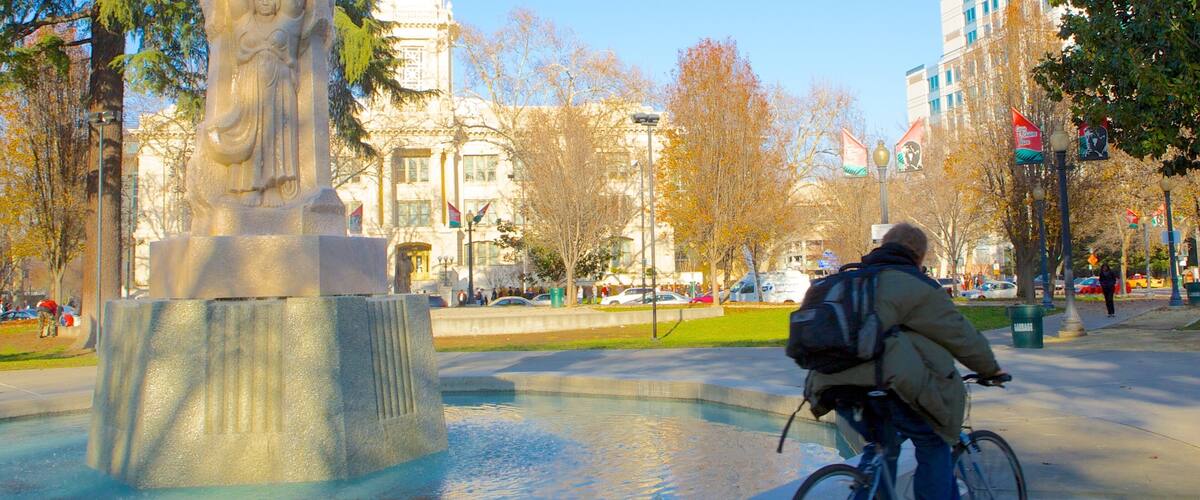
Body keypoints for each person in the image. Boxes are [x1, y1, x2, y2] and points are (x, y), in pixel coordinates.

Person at [805, 223, 1006, 499]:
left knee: (880, 448)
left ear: (884, 245)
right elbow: (960, 335)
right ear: (919, 256)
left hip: (832, 384)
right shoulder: (916, 286)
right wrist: (990, 369)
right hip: (884, 383)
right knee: (933, 442)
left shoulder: (854, 279)